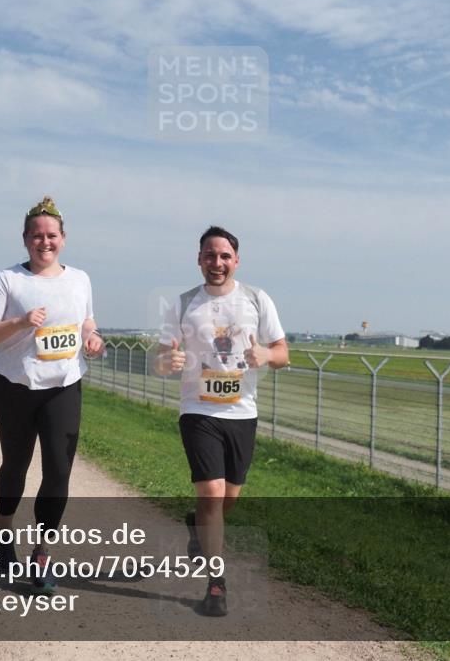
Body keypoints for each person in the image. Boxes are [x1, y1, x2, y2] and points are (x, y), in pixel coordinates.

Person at [0, 196, 105, 593]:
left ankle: (43, 552)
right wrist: (19, 322)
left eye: (51, 235)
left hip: (63, 384)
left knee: (59, 471)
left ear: (63, 238)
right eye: (36, 236)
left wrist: (93, 337)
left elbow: (87, 320)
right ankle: (5, 534)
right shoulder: (8, 280)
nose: (44, 242)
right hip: (14, 384)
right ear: (25, 239)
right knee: (16, 465)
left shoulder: (80, 279)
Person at [155, 226, 289, 617]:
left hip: (242, 412)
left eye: (225, 256)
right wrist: (167, 361)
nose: (217, 262)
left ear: (236, 261)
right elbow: (160, 359)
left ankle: (199, 527)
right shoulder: (183, 303)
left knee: (229, 498)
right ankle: (217, 584)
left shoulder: (257, 299)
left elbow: (283, 353)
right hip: (198, 410)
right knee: (212, 493)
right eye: (210, 255)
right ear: (199, 260)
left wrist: (266, 356)